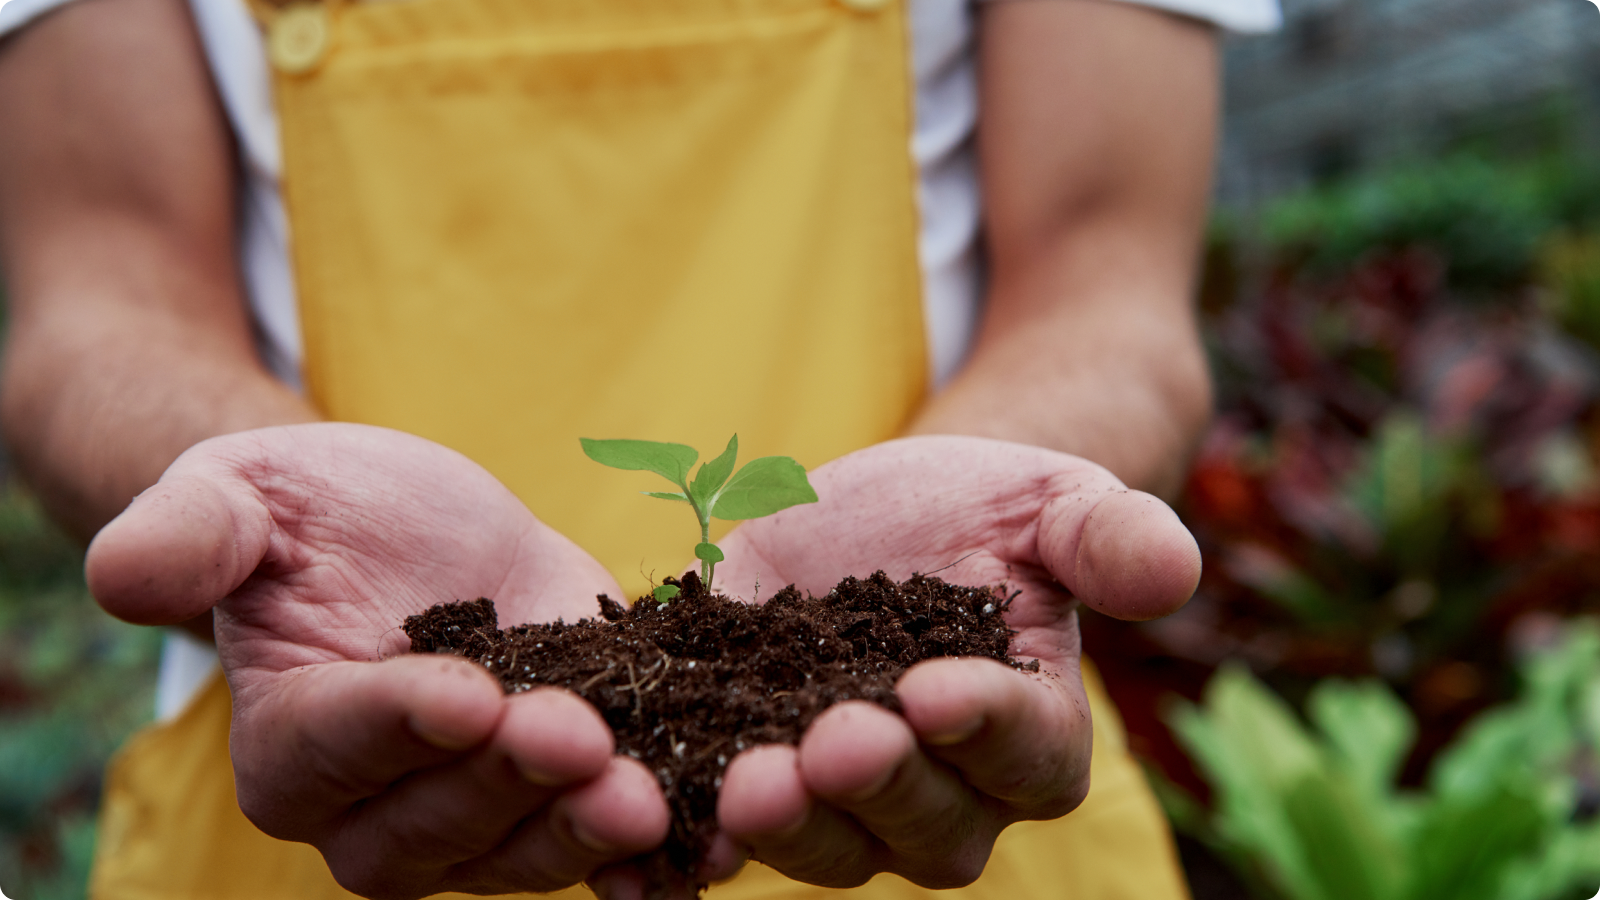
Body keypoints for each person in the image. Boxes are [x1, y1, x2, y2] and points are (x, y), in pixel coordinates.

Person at [0, 0, 1276, 896]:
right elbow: (100, 308)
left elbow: (1106, 287)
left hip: (949, 797)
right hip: (328, 777)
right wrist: (272, 506)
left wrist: (964, 566)